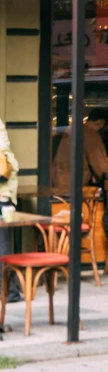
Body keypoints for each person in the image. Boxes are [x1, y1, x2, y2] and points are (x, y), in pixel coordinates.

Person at [52, 106, 108, 191]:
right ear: (101, 123)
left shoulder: (72, 129)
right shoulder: (91, 135)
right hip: (75, 187)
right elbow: (102, 168)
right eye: (107, 129)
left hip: (58, 182)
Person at [0, 117, 22, 302]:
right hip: (4, 191)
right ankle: (10, 290)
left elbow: (3, 160)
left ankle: (9, 290)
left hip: (2, 191)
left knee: (2, 242)